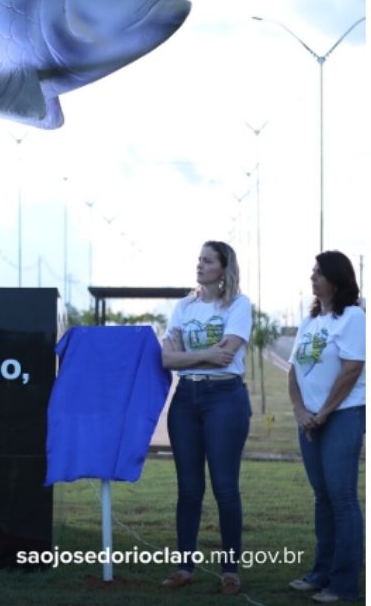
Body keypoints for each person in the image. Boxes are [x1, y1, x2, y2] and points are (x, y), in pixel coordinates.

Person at [160, 240, 251, 595]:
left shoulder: (239, 306)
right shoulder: (184, 306)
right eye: (198, 259)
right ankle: (185, 568)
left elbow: (226, 358)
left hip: (225, 399)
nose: (199, 265)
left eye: (207, 260)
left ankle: (230, 572)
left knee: (225, 488)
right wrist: (205, 355)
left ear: (223, 268)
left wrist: (189, 355)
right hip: (186, 399)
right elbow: (167, 359)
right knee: (188, 488)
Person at [287, 250, 364, 604]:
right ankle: (321, 572)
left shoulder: (353, 317)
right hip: (311, 419)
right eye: (312, 272)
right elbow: (293, 371)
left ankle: (343, 584)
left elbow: (352, 370)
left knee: (342, 498)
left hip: (342, 416)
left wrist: (324, 413)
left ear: (336, 278)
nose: (312, 278)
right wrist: (301, 410)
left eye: (318, 272)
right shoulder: (310, 321)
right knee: (322, 498)